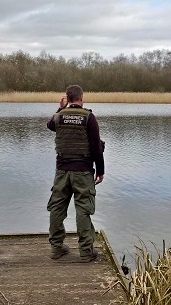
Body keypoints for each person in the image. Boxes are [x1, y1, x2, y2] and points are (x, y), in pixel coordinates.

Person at [46, 85, 104, 261]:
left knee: (57, 207)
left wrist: (61, 108)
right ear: (82, 98)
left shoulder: (59, 117)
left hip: (62, 171)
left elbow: (50, 125)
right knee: (83, 210)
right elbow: (96, 148)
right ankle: (86, 252)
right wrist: (100, 171)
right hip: (83, 172)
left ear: (68, 98)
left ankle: (56, 248)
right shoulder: (89, 118)